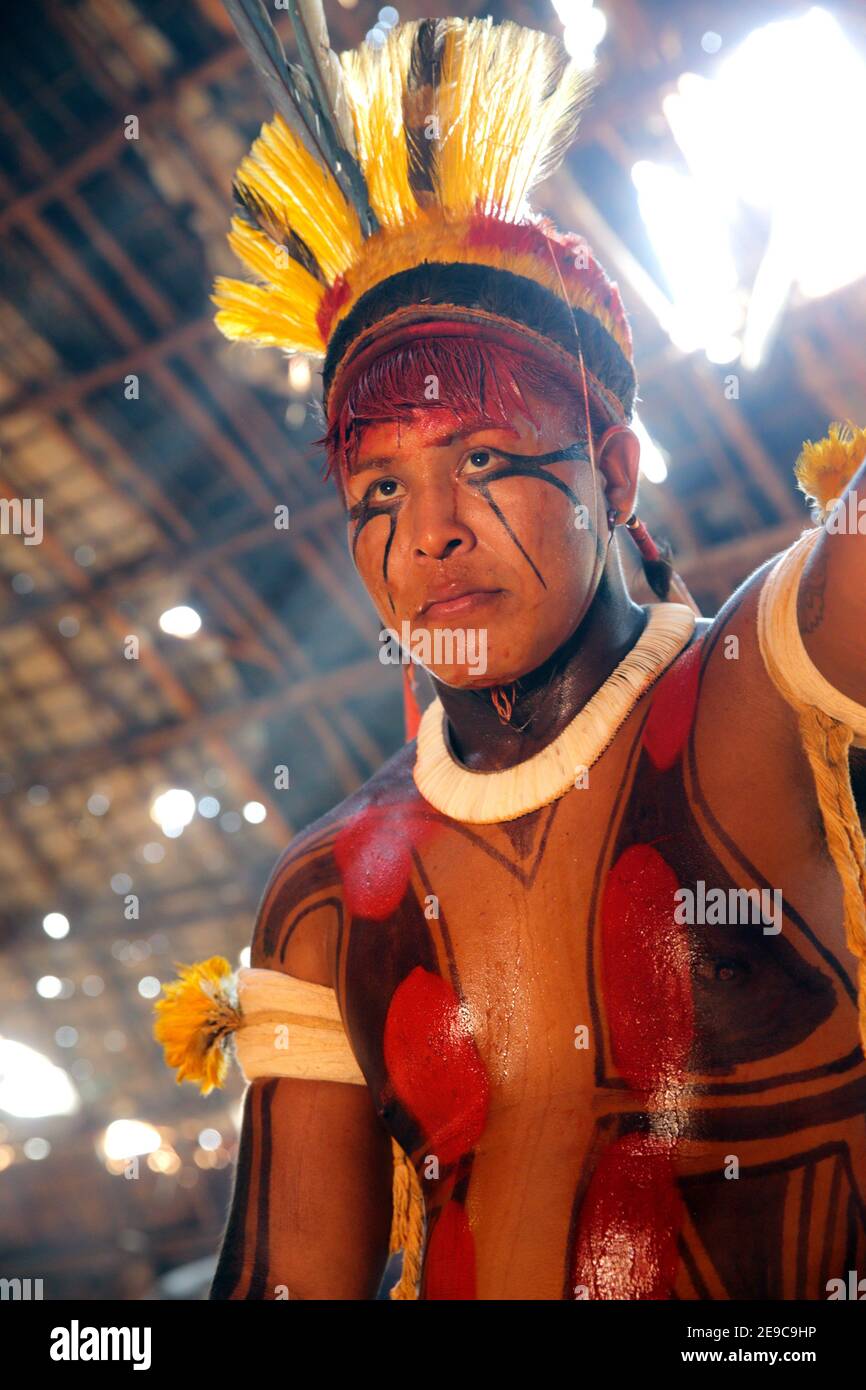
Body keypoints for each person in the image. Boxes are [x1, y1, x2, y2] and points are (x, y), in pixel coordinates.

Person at [155, 9, 866, 1299]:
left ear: (611, 468)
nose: (429, 535)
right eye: (378, 493)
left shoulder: (756, 696)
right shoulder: (331, 894)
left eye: (483, 461)